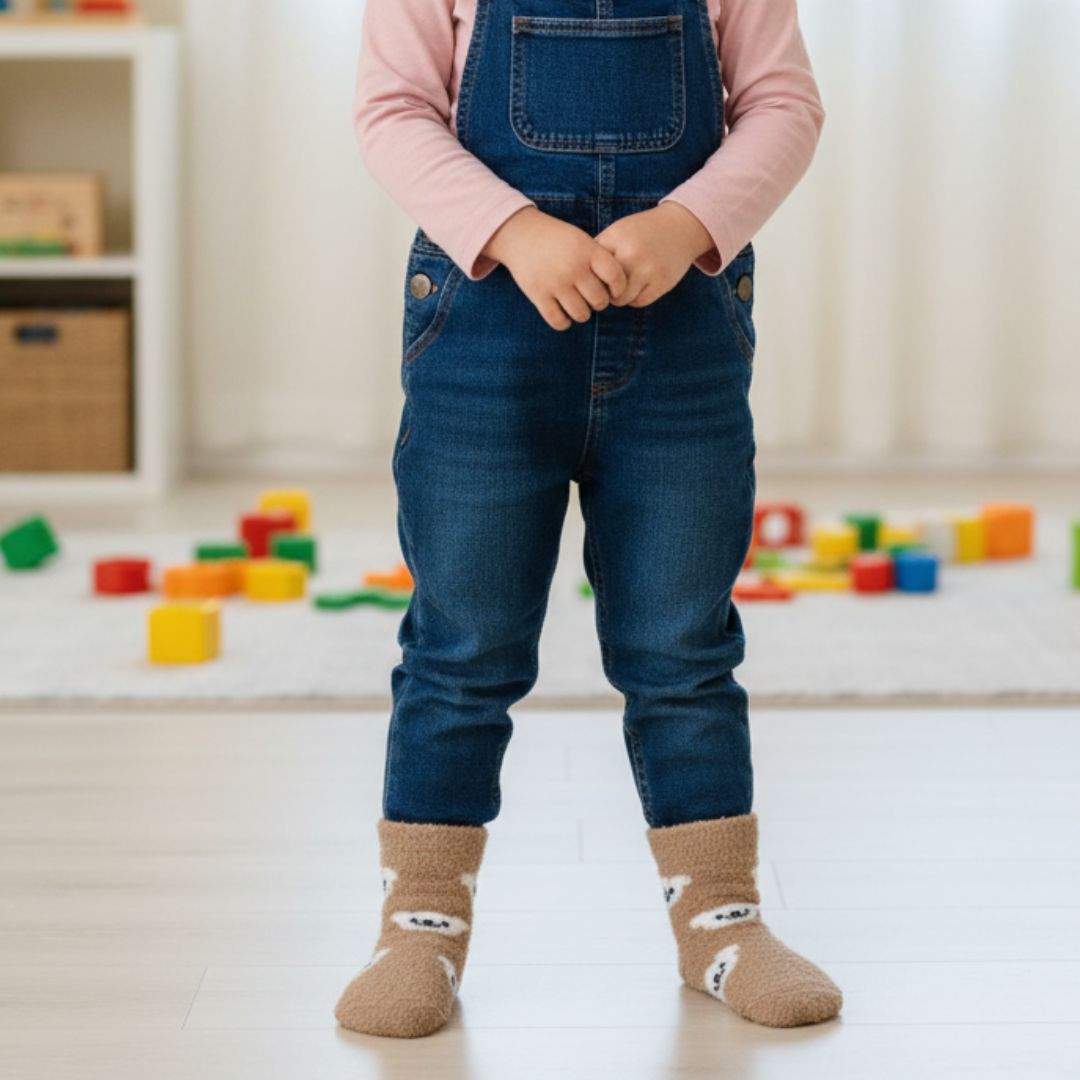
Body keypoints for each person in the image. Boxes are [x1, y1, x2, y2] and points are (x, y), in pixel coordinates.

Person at [335, 0, 842, 1038]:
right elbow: (393, 109)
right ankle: (419, 924)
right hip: (484, 331)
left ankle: (722, 919)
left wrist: (689, 223)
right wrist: (514, 232)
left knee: (683, 644)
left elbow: (784, 104)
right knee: (462, 642)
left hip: (682, 338)